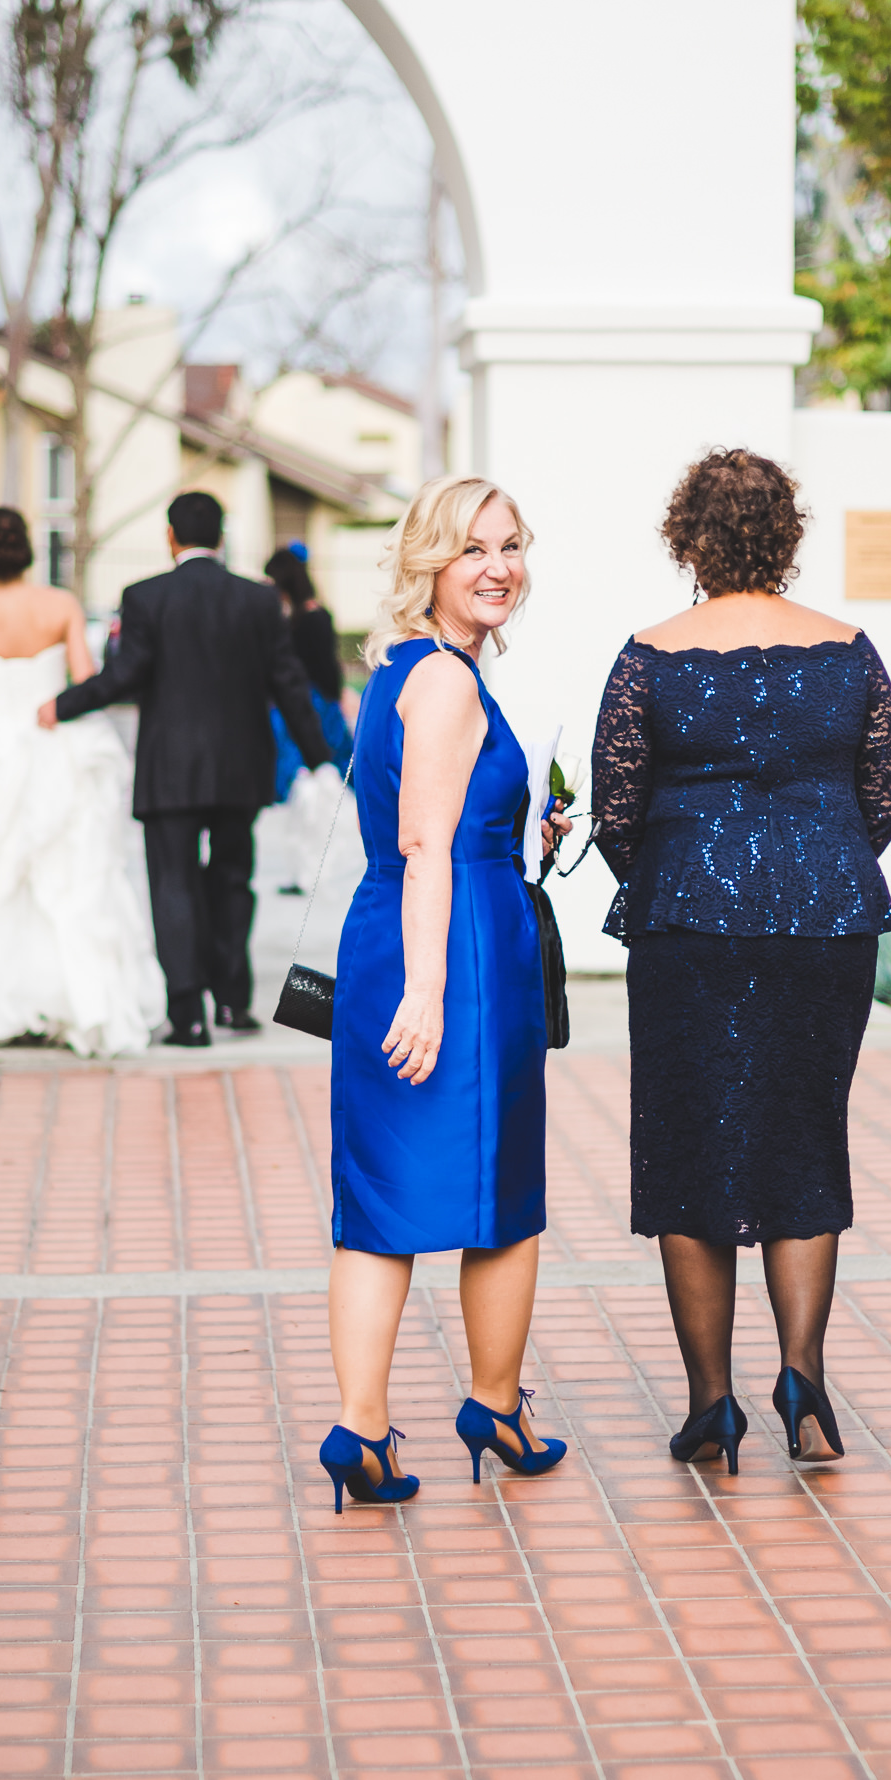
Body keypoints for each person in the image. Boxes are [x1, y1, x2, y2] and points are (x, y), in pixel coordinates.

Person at [591, 448, 891, 1474]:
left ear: (688, 537)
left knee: (693, 1148)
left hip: (690, 923)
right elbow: (883, 802)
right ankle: (804, 1378)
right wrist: (811, 863)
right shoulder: (850, 649)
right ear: (788, 536)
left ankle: (711, 1405)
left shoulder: (650, 652)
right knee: (804, 1137)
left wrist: (694, 868)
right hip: (828, 920)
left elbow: (617, 813)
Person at [321, 476, 569, 1511]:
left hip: (395, 932)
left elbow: (435, 823)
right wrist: (427, 994)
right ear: (430, 561)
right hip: (454, 957)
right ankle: (494, 1403)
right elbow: (428, 842)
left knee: (375, 1203)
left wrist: (526, 832)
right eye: (474, 549)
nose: (499, 566)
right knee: (500, 1202)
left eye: (510, 545)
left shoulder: (403, 670)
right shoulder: (453, 685)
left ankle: (363, 1429)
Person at [44, 490, 331, 1047]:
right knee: (232, 881)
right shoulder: (257, 600)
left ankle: (188, 1016)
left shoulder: (145, 596)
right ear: (222, 538)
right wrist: (319, 758)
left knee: (172, 884)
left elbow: (124, 675)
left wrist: (62, 704)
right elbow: (289, 684)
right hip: (240, 768)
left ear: (169, 537)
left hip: (169, 768)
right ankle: (232, 1002)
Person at [0, 506, 163, 1051]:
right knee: (67, 874)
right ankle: (70, 1002)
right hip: (54, 747)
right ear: (25, 547)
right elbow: (83, 680)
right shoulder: (59, 606)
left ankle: (0, 1004)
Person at [264, 546, 353, 801]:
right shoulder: (307, 614)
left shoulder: (309, 617)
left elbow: (325, 665)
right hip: (310, 699)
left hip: (313, 700)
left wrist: (336, 697)